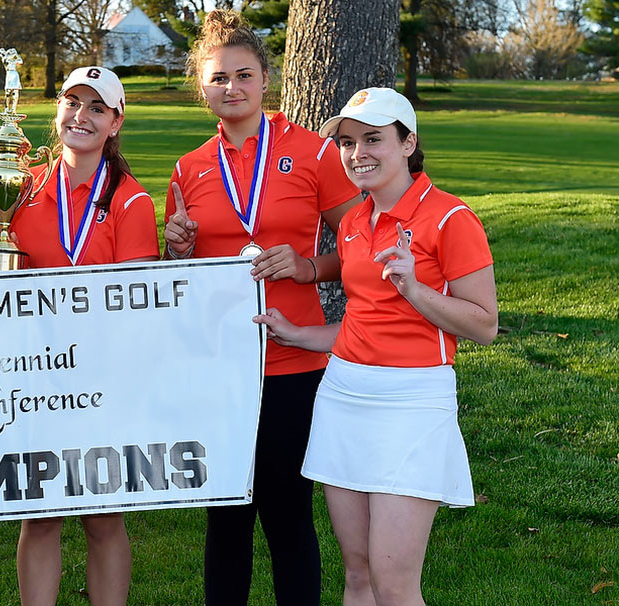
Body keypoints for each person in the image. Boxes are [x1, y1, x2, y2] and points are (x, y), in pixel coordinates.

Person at [255, 87, 498, 605]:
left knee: (394, 584)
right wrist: (299, 336)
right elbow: (363, 323)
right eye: (346, 142)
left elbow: (483, 325)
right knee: (358, 573)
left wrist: (414, 287)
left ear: (408, 143)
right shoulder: (353, 224)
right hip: (344, 395)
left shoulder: (452, 218)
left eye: (373, 139)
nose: (357, 153)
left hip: (411, 404)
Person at [161, 10, 363, 605]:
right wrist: (177, 250)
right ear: (202, 87)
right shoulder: (189, 167)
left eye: (243, 75)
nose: (232, 88)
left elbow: (362, 245)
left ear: (266, 79)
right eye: (218, 78)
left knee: (286, 514)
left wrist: (309, 267)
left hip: (292, 358)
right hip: (218, 362)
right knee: (225, 516)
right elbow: (178, 277)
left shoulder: (313, 152)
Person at [2, 66, 160, 606]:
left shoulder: (132, 201)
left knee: (102, 517)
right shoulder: (20, 187)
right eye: (72, 102)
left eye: (97, 108)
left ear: (115, 123)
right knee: (39, 516)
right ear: (57, 112)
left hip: (99, 381)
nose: (82, 116)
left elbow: (132, 305)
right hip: (27, 378)